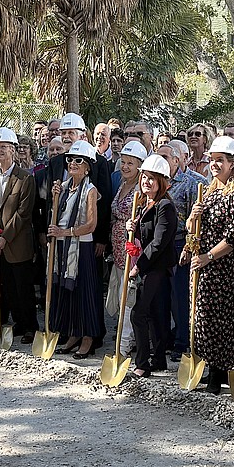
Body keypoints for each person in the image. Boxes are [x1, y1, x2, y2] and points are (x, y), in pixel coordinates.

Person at [186, 136, 234, 394]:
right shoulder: (207, 190)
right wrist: (192, 217)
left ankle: (219, 370)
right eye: (212, 160)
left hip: (223, 266)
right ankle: (208, 365)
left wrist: (209, 256)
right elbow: (190, 230)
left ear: (233, 163)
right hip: (202, 264)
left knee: (221, 319)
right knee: (200, 317)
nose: (214, 165)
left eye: (220, 160)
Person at [50, 140, 103, 358]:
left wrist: (66, 233)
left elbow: (91, 225)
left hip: (82, 247)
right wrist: (54, 198)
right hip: (63, 247)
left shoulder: (90, 190)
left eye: (78, 160)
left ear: (88, 165)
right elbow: (56, 216)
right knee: (67, 292)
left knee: (85, 293)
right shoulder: (62, 188)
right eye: (70, 159)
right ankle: (73, 333)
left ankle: (88, 337)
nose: (72, 163)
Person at [129, 155, 178, 377]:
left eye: (152, 178)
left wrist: (139, 265)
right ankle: (158, 359)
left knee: (138, 313)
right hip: (149, 266)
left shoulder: (165, 206)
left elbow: (158, 242)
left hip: (156, 267)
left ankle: (142, 363)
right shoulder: (144, 203)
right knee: (155, 315)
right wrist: (134, 226)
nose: (146, 182)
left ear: (162, 181)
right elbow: (144, 236)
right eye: (144, 177)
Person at [0, 127, 37, 343]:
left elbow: (23, 214)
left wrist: (4, 236)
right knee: (7, 287)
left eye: (3, 147)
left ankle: (30, 327)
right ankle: (17, 322)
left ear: (13, 150)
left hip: (17, 242)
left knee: (23, 287)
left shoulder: (25, 178)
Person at [159, 141, 206, 362]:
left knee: (180, 297)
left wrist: (188, 248)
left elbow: (195, 222)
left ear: (177, 160)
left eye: (166, 157)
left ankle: (183, 341)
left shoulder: (193, 184)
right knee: (163, 296)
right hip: (161, 244)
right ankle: (165, 338)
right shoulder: (156, 181)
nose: (162, 161)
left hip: (180, 244)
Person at [110, 141, 148, 356]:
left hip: (133, 249)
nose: (125, 167)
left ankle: (124, 344)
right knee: (120, 294)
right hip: (118, 246)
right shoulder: (121, 185)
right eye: (123, 162)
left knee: (130, 295)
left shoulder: (139, 190)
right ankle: (123, 337)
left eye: (130, 163)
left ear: (139, 166)